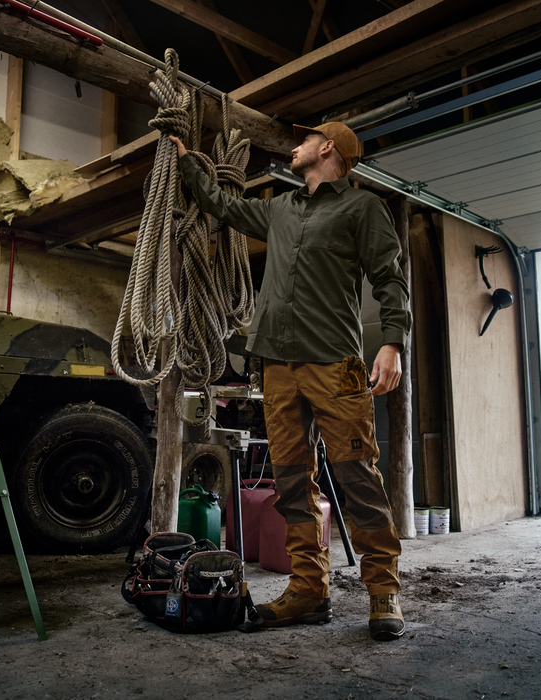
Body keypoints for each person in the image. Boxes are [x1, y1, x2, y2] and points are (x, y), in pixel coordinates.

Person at [168, 122, 411, 641]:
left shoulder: (363, 209)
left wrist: (392, 343)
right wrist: (187, 161)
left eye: (306, 139)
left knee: (357, 475)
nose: (293, 145)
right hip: (277, 365)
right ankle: (309, 591)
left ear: (329, 149)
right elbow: (224, 206)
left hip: (338, 362)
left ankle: (383, 591)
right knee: (292, 481)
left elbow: (389, 276)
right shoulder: (281, 208)